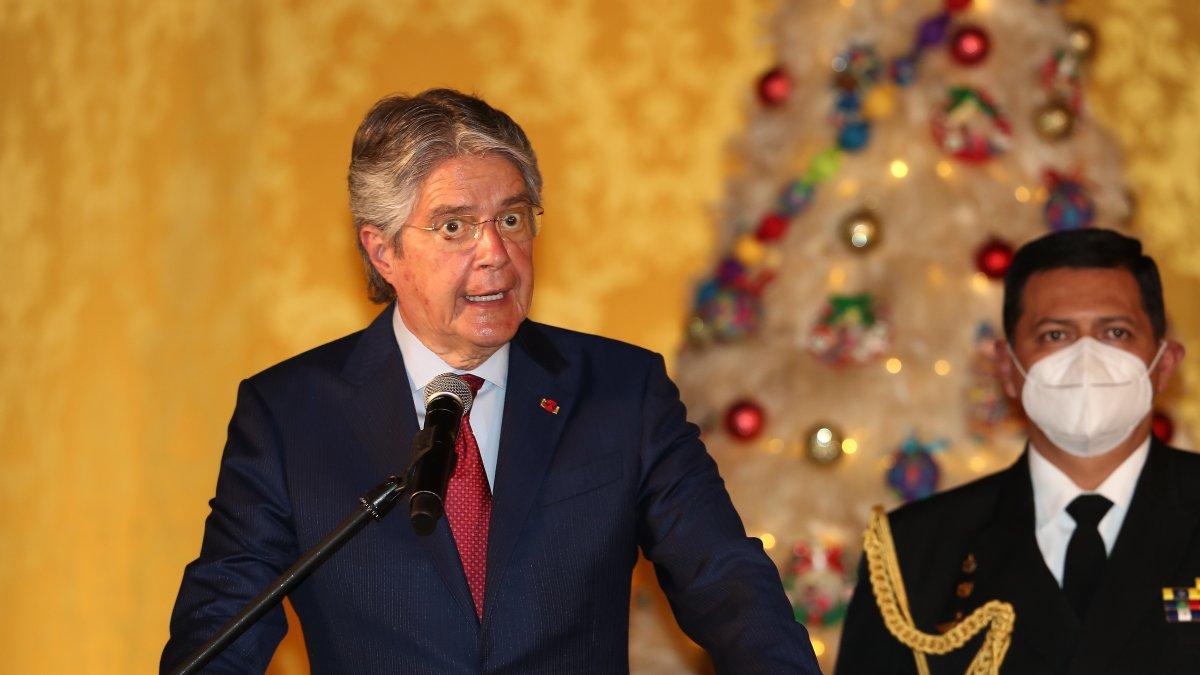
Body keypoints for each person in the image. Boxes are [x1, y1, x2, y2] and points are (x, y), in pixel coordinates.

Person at [161, 89, 820, 674]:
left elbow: (729, 586)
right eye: (454, 226)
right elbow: (223, 622)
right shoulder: (289, 415)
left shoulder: (623, 392)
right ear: (382, 249)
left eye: (511, 218)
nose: (495, 253)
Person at [836, 228, 1200, 674]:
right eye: (1055, 336)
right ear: (1008, 368)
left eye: (1116, 332)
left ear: (1163, 364)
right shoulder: (916, 551)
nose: (1086, 358)